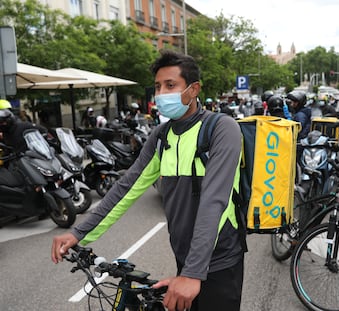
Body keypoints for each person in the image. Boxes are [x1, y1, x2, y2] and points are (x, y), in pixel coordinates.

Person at [51, 50, 244, 311]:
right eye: (157, 87)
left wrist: (193, 273)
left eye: (170, 85)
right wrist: (78, 233)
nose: (162, 94)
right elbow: (126, 187)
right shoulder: (161, 136)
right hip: (185, 257)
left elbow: (214, 201)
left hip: (219, 259)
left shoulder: (221, 128)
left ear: (194, 88)